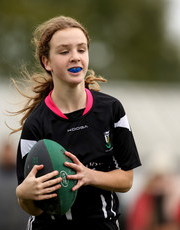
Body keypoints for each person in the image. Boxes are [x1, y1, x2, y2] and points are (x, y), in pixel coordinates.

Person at [10, 15, 141, 230]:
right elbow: (32, 206)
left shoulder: (111, 110)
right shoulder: (36, 124)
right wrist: (23, 195)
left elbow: (126, 180)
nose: (75, 57)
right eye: (64, 51)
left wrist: (89, 176)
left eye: (81, 50)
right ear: (47, 62)